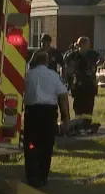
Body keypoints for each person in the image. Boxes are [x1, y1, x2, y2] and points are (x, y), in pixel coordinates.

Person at [23, 50, 72, 187]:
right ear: (47, 61)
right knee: (46, 147)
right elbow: (63, 97)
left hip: (32, 114)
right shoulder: (54, 76)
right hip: (48, 115)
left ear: (34, 61)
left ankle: (32, 177)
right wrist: (65, 118)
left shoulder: (27, 76)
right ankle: (43, 176)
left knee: (31, 145)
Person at [63, 36, 101, 120]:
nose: (88, 46)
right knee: (78, 103)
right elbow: (66, 67)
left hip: (90, 82)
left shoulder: (92, 54)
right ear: (81, 45)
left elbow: (101, 60)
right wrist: (68, 81)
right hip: (77, 82)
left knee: (89, 102)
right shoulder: (72, 55)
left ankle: (87, 120)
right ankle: (78, 120)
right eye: (87, 44)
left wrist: (98, 64)